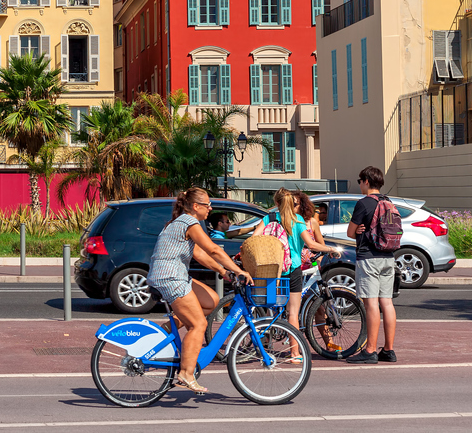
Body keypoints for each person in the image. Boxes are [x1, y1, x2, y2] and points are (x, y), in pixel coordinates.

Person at [146, 187, 252, 395]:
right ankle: (186, 374)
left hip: (174, 275)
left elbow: (200, 254)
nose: (210, 208)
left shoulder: (180, 223)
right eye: (207, 205)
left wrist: (223, 271)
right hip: (170, 277)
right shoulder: (189, 222)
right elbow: (213, 249)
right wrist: (239, 271)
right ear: (196, 206)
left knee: (211, 300)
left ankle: (169, 328)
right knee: (199, 324)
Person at [255, 188, 342, 353]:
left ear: (276, 203)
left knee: (269, 306)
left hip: (272, 269)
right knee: (292, 313)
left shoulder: (268, 218)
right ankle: (294, 354)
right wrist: (330, 249)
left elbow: (254, 239)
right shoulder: (298, 220)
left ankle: (265, 341)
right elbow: (311, 244)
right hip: (292, 268)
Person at [346, 166, 397, 364]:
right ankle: (389, 350)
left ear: (366, 181)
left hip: (368, 258)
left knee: (371, 304)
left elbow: (350, 233)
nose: (359, 184)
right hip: (388, 256)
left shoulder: (363, 203)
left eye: (360, 181)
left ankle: (370, 350)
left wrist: (359, 229)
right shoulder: (388, 202)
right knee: (387, 302)